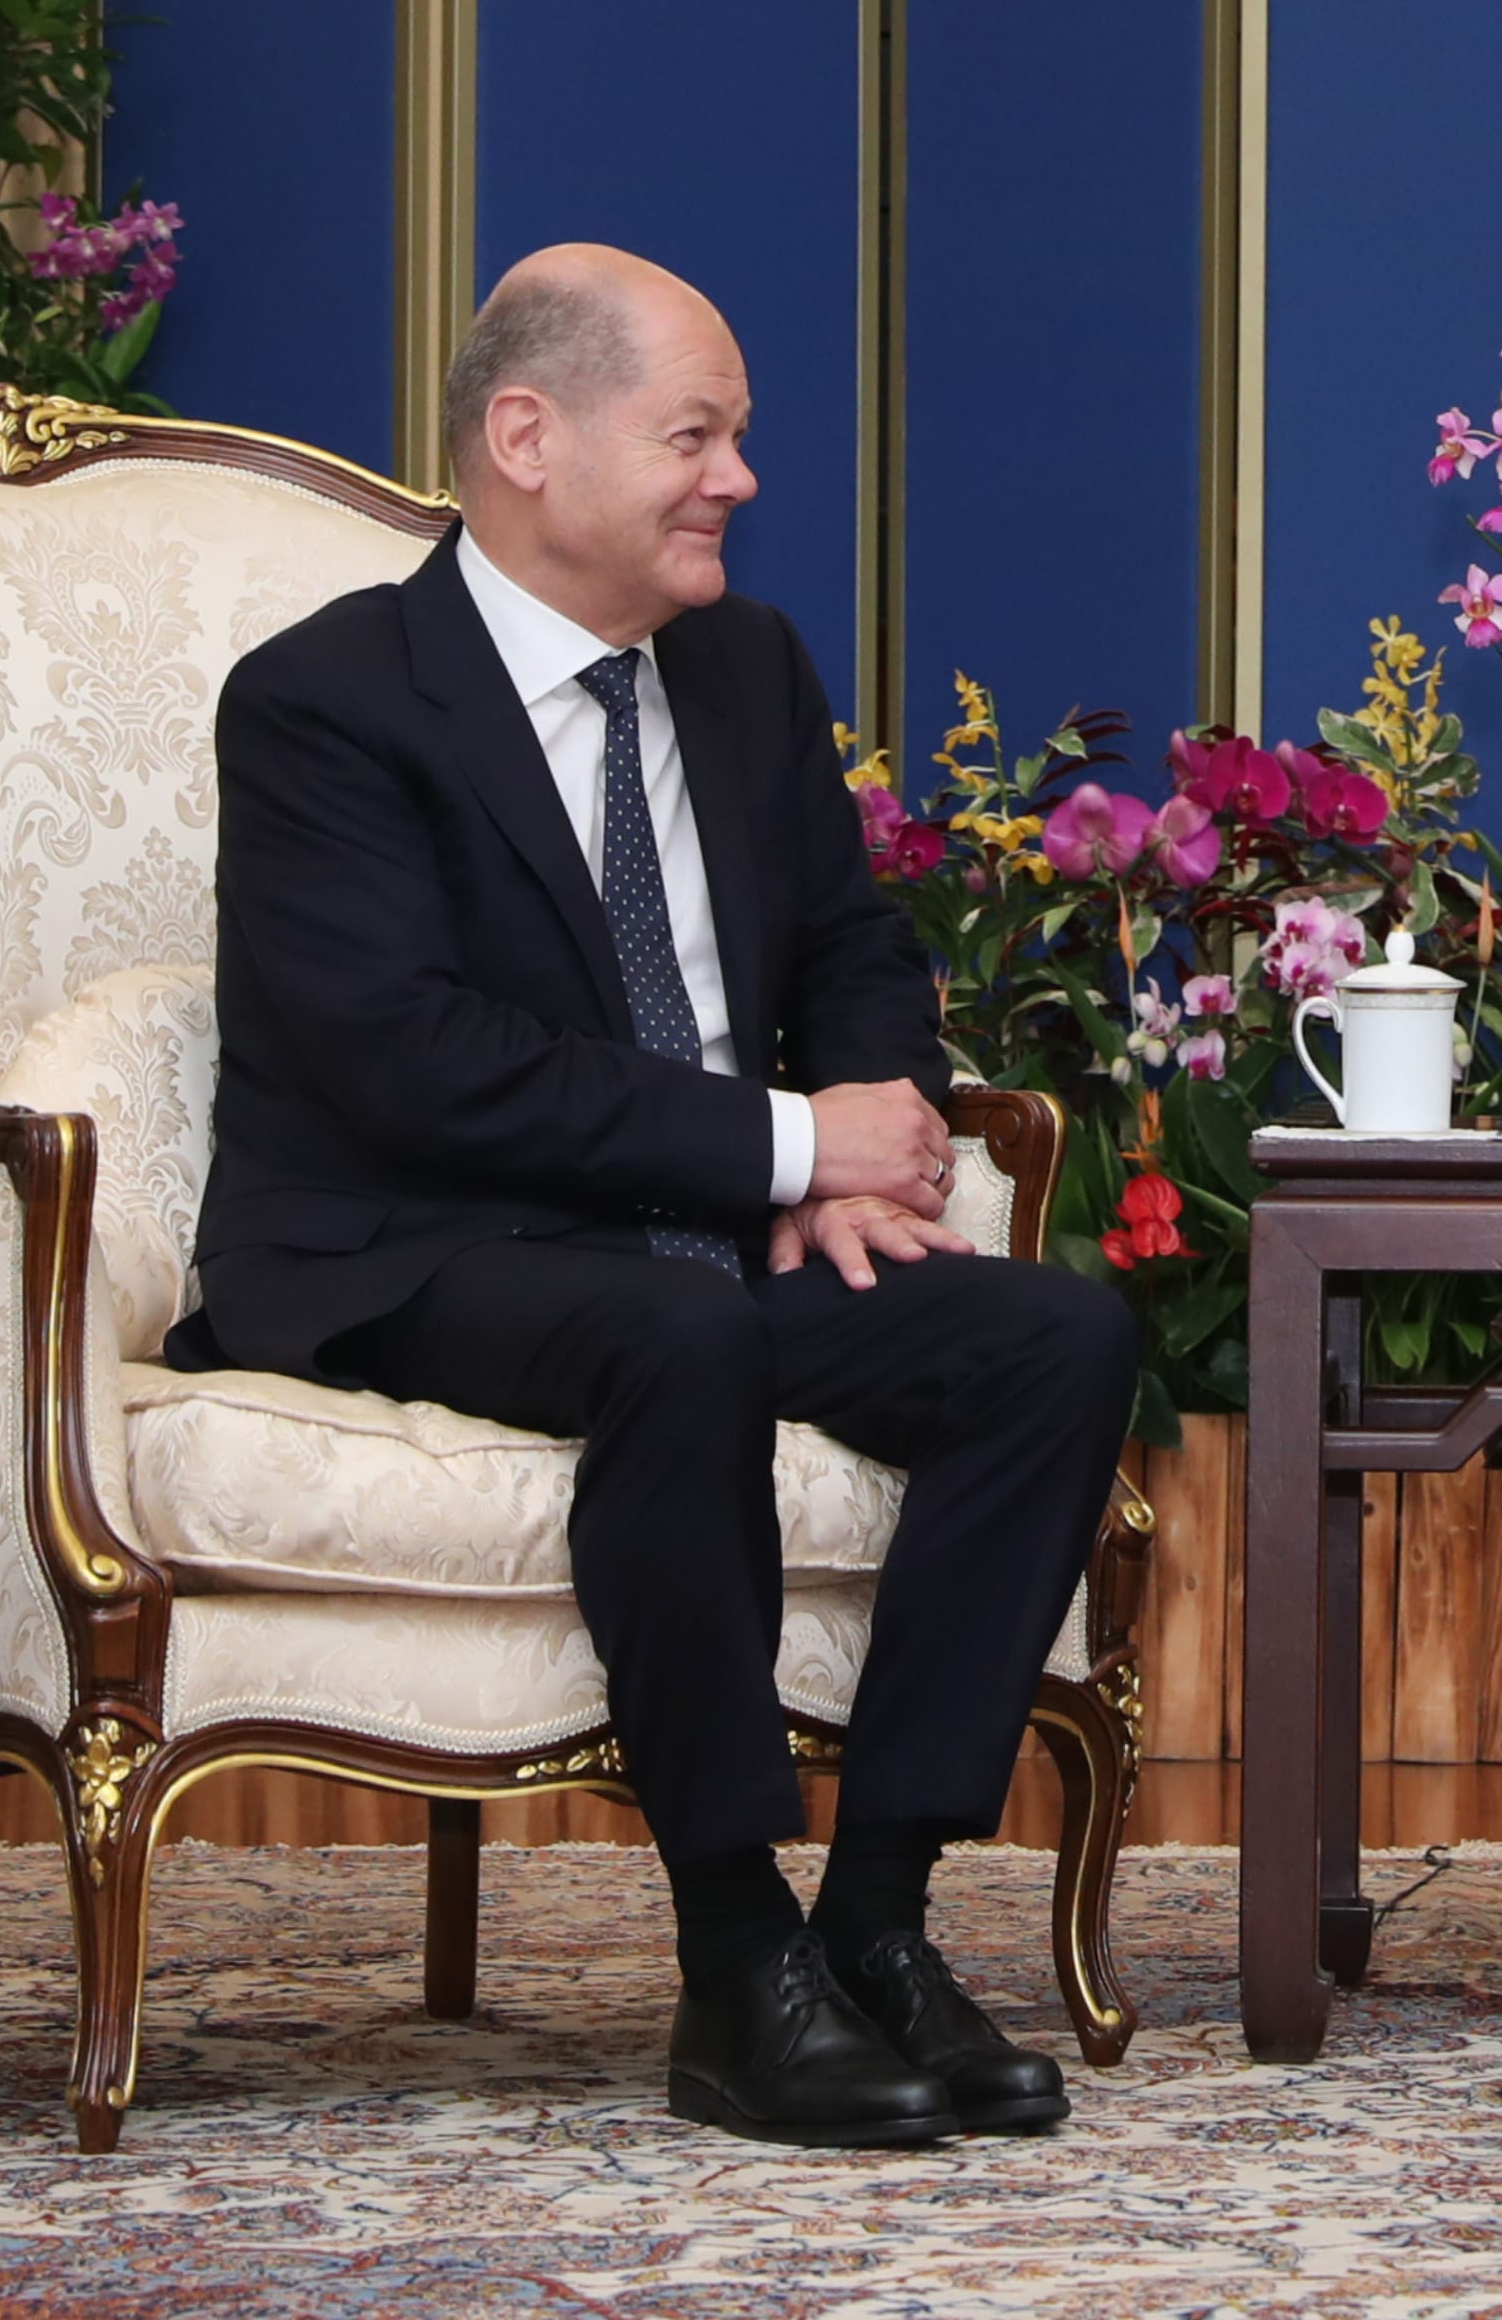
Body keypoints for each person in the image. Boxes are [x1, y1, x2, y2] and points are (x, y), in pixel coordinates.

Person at [184, 244, 1139, 2148]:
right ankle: (732, 1956)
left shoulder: (742, 665)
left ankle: (874, 1926)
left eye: (739, 438)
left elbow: (853, 940)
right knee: (678, 1329)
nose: (739, 478)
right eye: (696, 434)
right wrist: (784, 1152)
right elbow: (413, 1061)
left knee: (1053, 1333)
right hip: (427, 1242)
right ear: (525, 438)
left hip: (696, 1233)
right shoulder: (325, 703)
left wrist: (868, 1103)